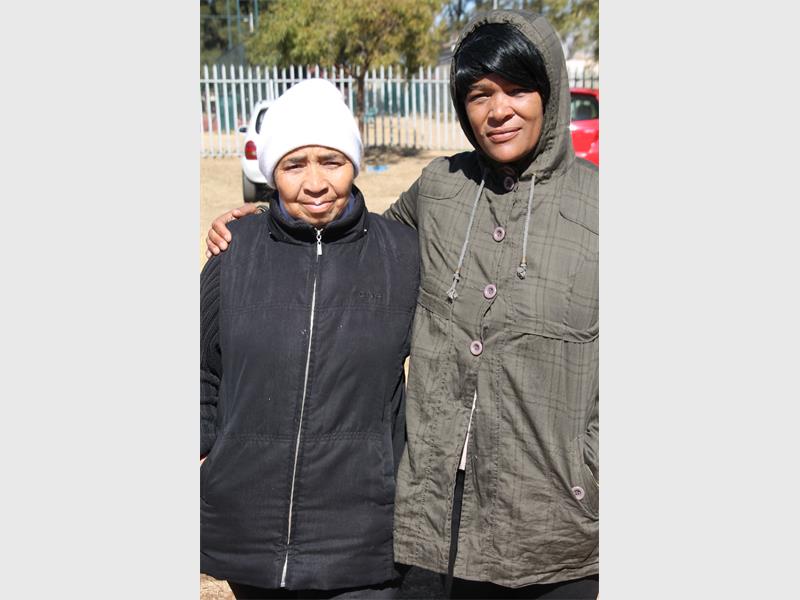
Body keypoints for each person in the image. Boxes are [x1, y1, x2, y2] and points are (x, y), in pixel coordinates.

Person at [206, 10, 598, 599]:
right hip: (440, 517)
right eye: (479, 95)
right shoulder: (441, 188)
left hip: (557, 521)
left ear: (552, 93)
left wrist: (590, 471)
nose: (498, 111)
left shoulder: (601, 208)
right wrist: (267, 225)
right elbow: (344, 249)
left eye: (518, 89)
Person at [200, 78, 420, 599]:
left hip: (363, 535)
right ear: (271, 171)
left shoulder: (403, 254)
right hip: (253, 532)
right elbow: (202, 371)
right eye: (295, 164)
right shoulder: (234, 253)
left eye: (332, 161)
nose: (316, 182)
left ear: (355, 163)